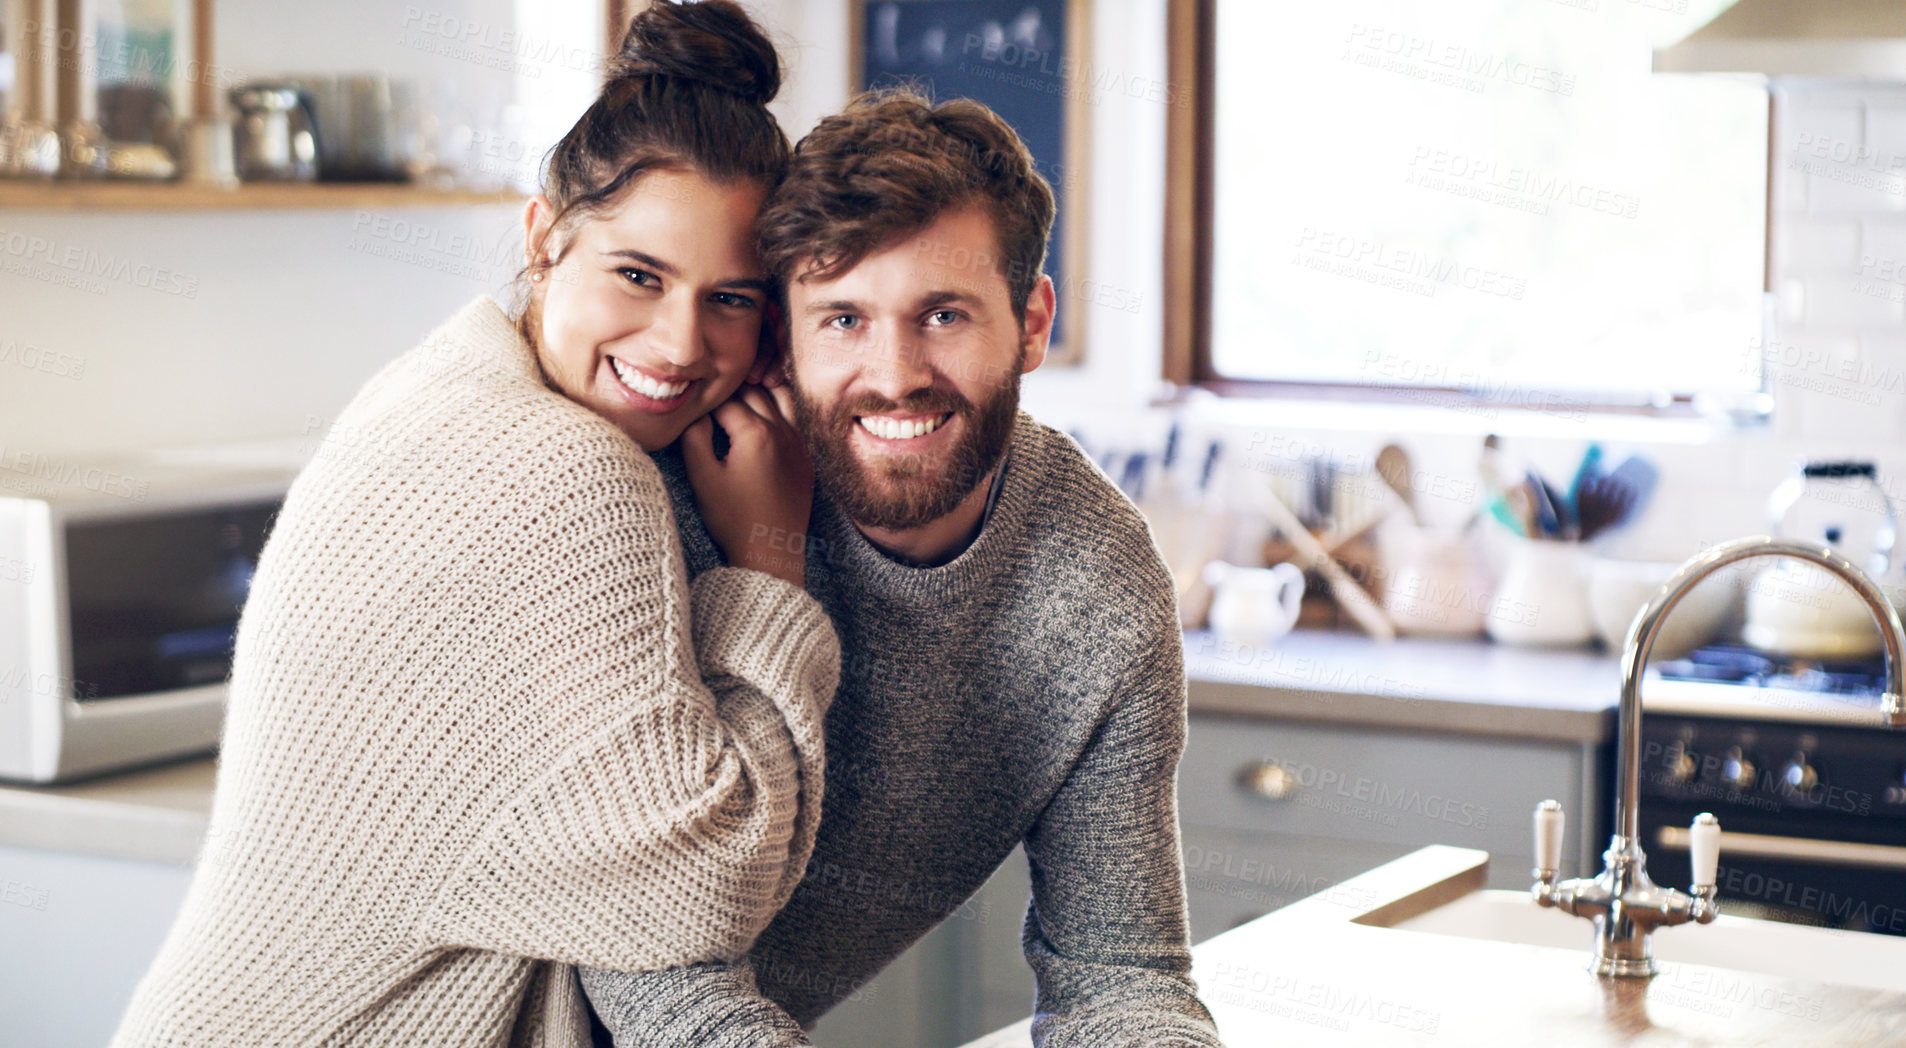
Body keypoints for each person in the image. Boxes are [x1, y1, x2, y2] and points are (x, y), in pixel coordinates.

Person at [109, 4, 837, 1046]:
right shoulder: (570, 466)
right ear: (545, 237)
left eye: (731, 298)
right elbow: (711, 879)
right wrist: (771, 554)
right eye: (639, 275)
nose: (680, 343)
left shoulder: (438, 382)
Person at [582, 89, 1225, 1046]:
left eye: (944, 314)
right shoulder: (660, 513)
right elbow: (649, 963)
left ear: (1033, 321)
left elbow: (1119, 973)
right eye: (841, 319)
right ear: (782, 341)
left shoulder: (1097, 589)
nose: (893, 373)